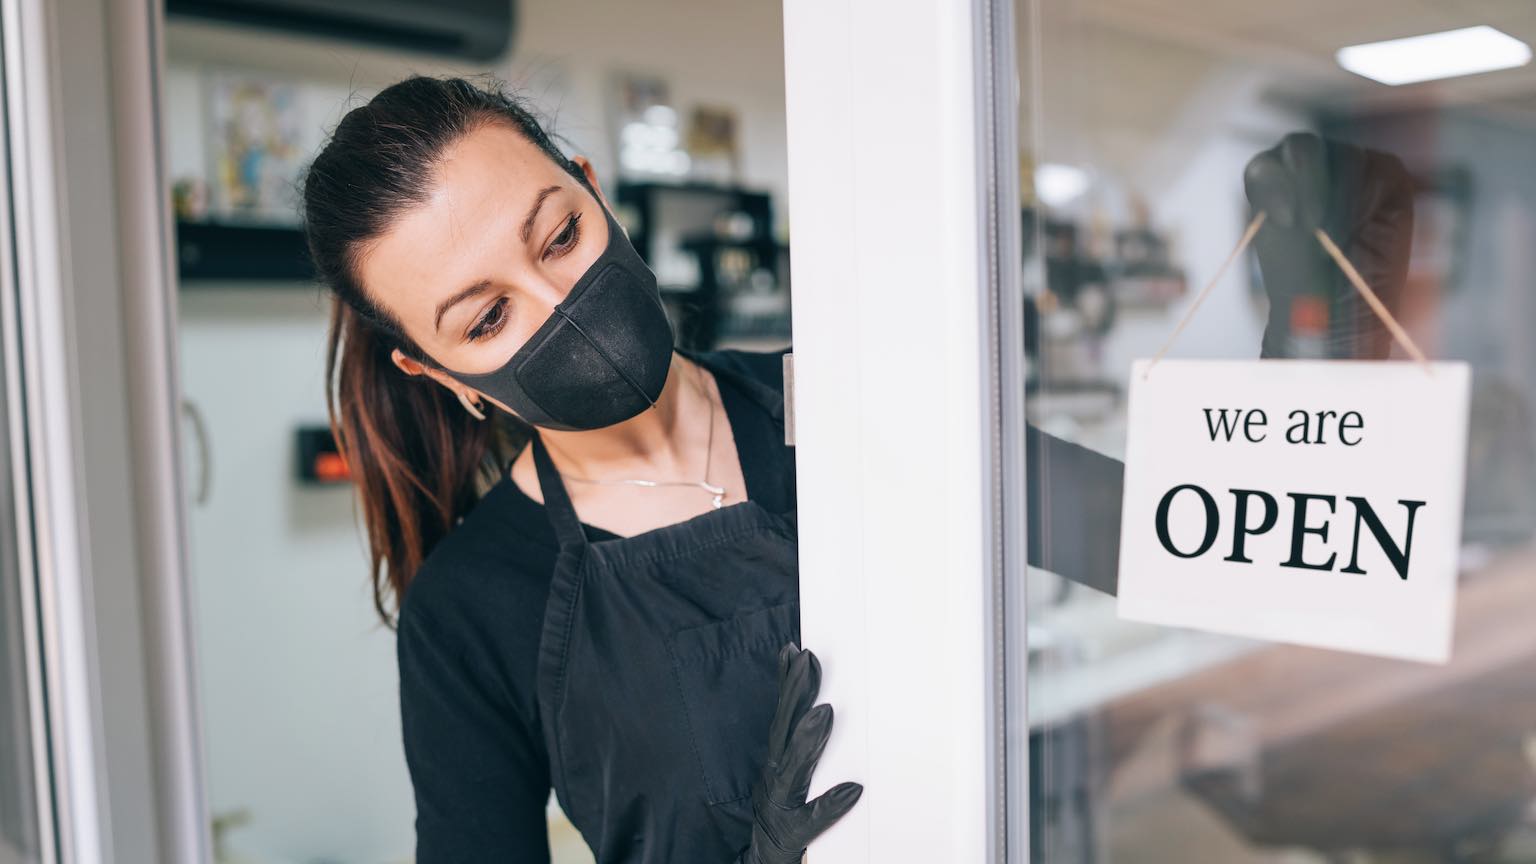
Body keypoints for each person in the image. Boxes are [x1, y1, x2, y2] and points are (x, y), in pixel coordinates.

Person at [299, 73, 1413, 862]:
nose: (558, 310)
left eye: (557, 238)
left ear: (595, 189)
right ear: (437, 370)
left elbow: (1237, 556)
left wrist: (1324, 316)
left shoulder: (861, 406)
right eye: (488, 316)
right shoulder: (476, 609)